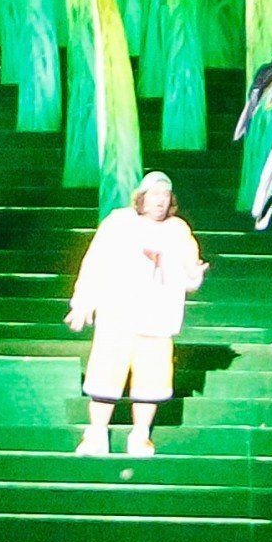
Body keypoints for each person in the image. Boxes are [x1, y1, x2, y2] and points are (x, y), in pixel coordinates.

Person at [69, 170, 203, 457]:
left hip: (156, 319)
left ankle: (140, 435)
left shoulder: (178, 230)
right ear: (142, 197)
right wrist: (83, 300)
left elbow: (191, 274)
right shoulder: (119, 222)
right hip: (117, 315)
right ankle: (96, 433)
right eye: (154, 195)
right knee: (105, 375)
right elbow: (94, 263)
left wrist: (189, 273)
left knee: (151, 380)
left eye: (165, 196)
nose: (160, 201)